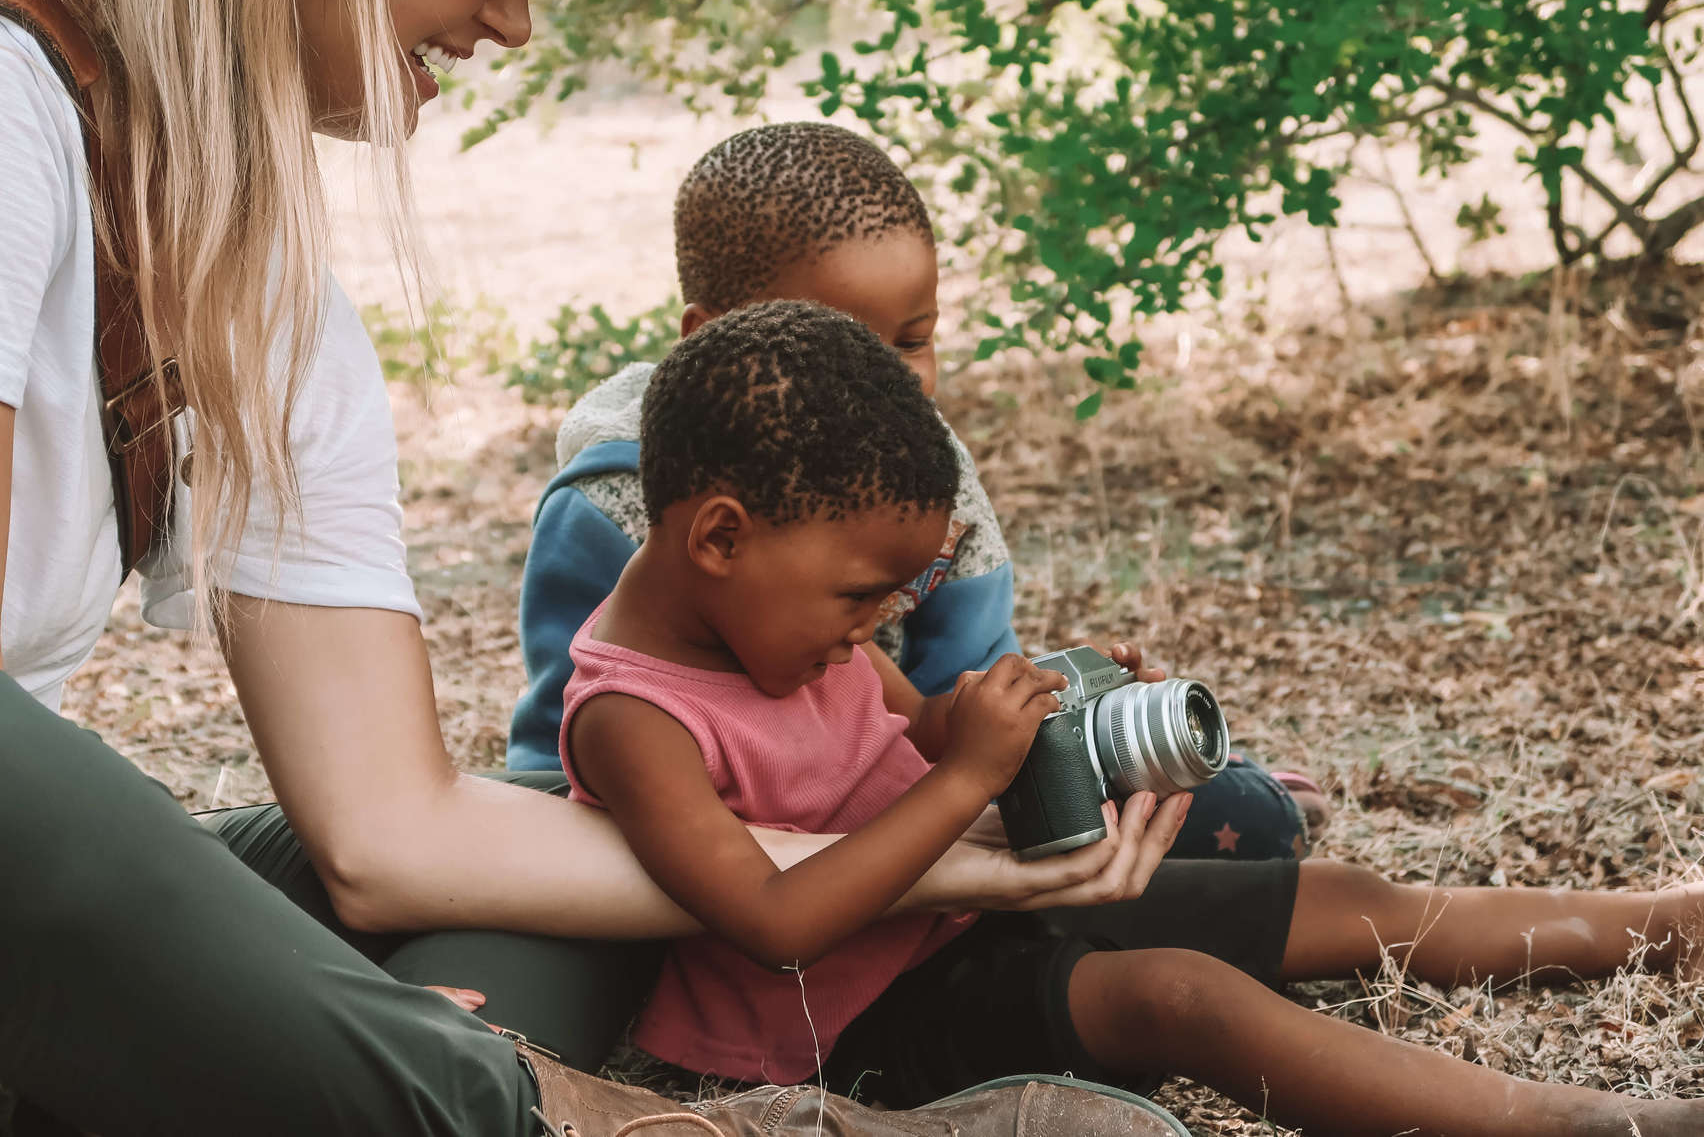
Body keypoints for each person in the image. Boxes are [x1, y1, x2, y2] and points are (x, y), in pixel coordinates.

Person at [0, 0, 1191, 1135]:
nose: (514, 19)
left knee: (540, 883)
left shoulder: (267, 287)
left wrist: (951, 855)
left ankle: (395, 1081)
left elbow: (393, 833)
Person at [561, 298, 1704, 1137]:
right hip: (848, 1020)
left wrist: (1048, 707)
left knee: (1343, 899)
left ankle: (1659, 920)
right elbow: (773, 919)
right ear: (717, 538)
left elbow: (915, 734)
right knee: (1181, 999)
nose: (871, 630)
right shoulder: (633, 717)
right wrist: (964, 784)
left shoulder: (787, 620)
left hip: (965, 914)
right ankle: (1568, 1122)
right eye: (859, 596)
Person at [509, 121, 1328, 858]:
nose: (887, 381)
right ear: (713, 333)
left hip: (901, 791)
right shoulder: (620, 502)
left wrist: (1072, 709)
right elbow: (567, 742)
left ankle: (1239, 793)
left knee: (1216, 813)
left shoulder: (928, 475)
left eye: (914, 340)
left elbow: (955, 695)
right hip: (701, 833)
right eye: (842, 344)